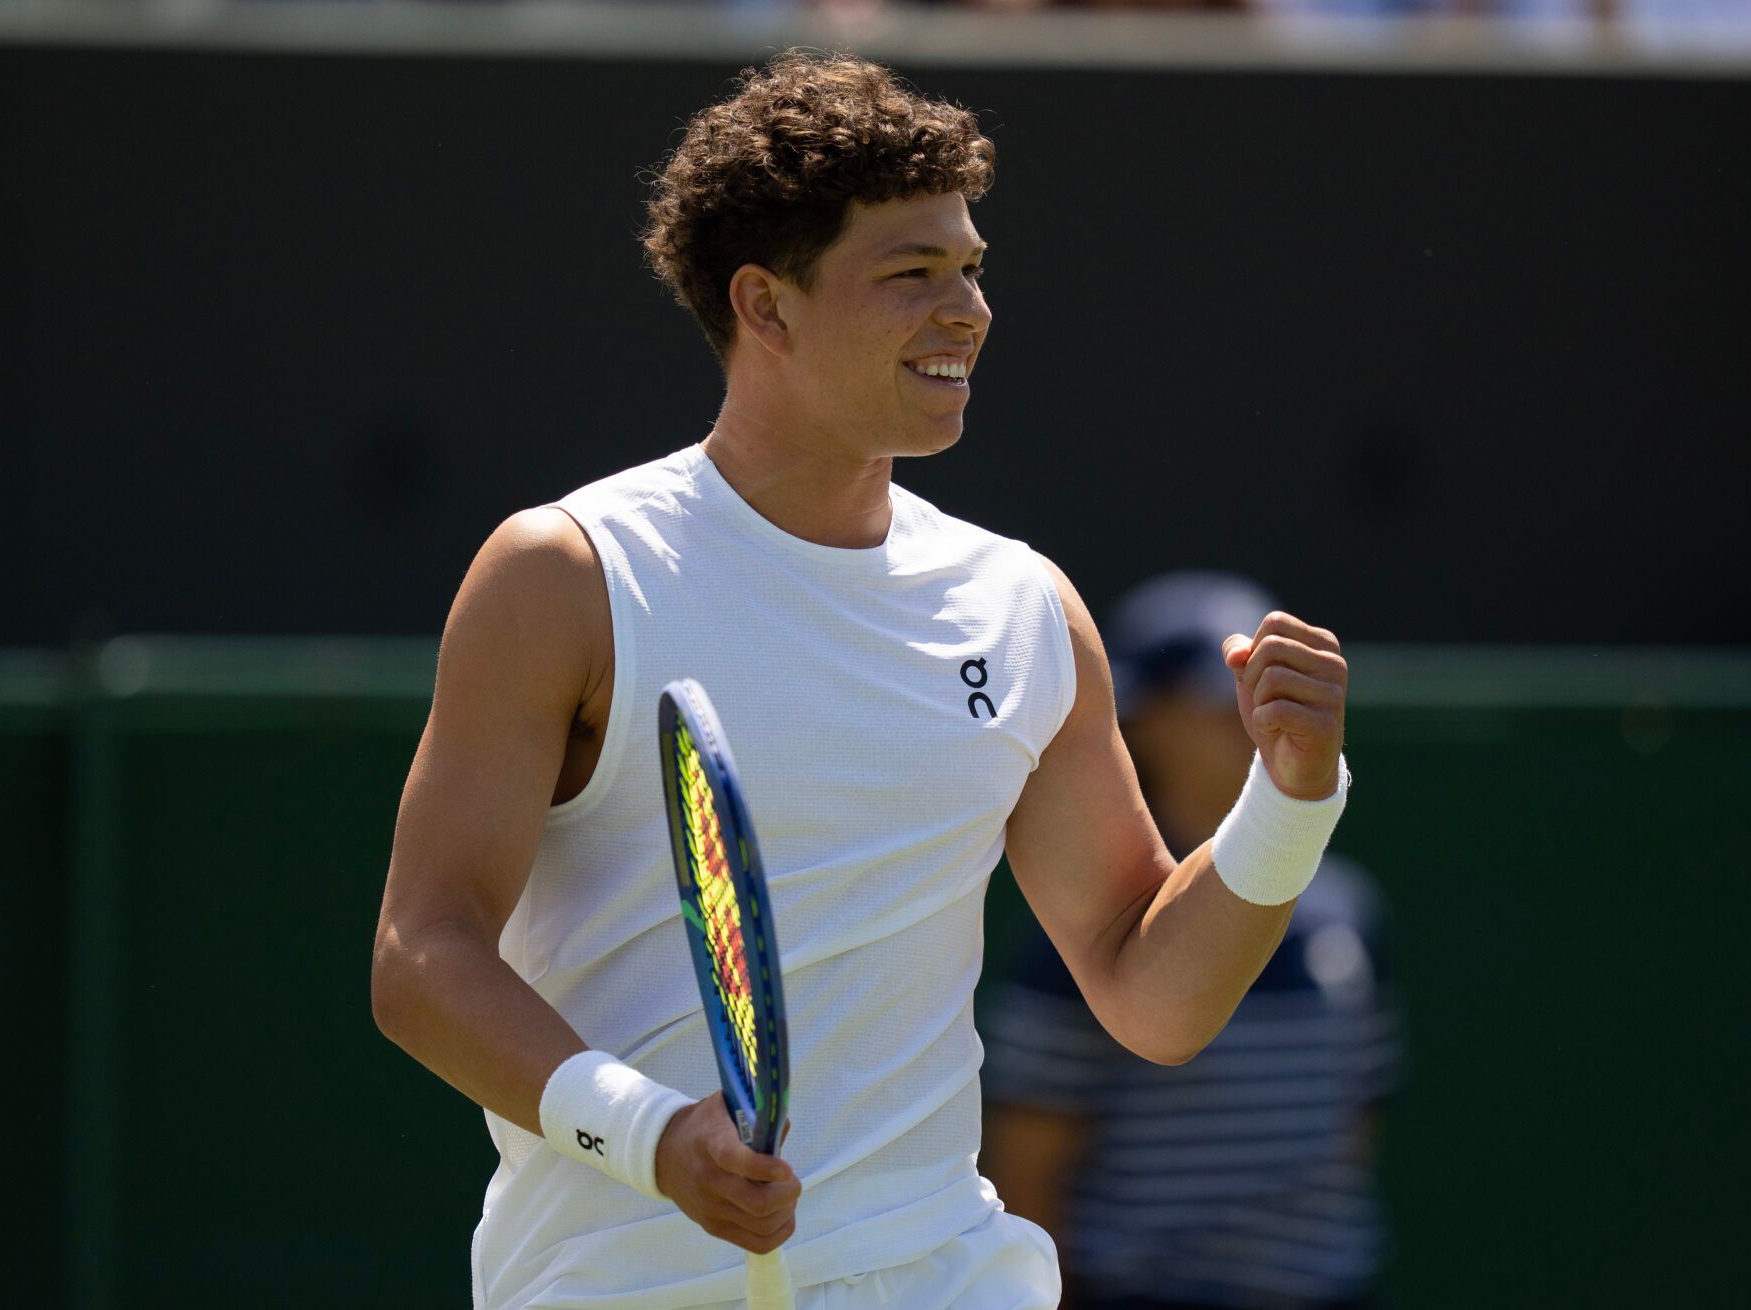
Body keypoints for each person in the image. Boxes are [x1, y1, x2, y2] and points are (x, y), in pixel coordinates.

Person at [370, 52, 1352, 1309]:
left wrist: (1291, 802)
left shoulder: (1023, 603)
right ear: (765, 307)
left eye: (973, 269)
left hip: (947, 1274)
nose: (970, 312)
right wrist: (654, 1136)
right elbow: (421, 953)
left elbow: (1151, 992)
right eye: (912, 275)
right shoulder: (567, 574)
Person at [982, 572, 1402, 1310]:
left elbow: (1354, 1127)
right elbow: (1029, 1165)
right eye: (1221, 697)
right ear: (1146, 721)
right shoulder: (1082, 931)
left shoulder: (1351, 913)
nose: (1252, 719)